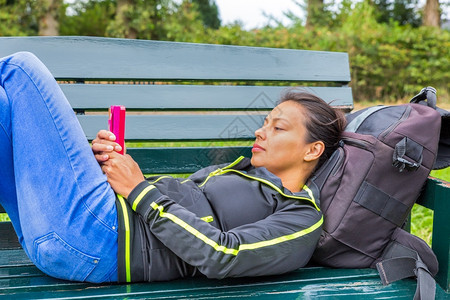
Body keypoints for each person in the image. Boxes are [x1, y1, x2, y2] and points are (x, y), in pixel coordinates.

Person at [0, 51, 346, 283]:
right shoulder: (243, 174)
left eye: (278, 127)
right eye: (265, 121)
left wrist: (138, 189)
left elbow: (224, 255)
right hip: (63, 229)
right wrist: (97, 165)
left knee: (20, 68)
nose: (260, 130)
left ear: (312, 150)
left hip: (102, 240)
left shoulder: (301, 217)